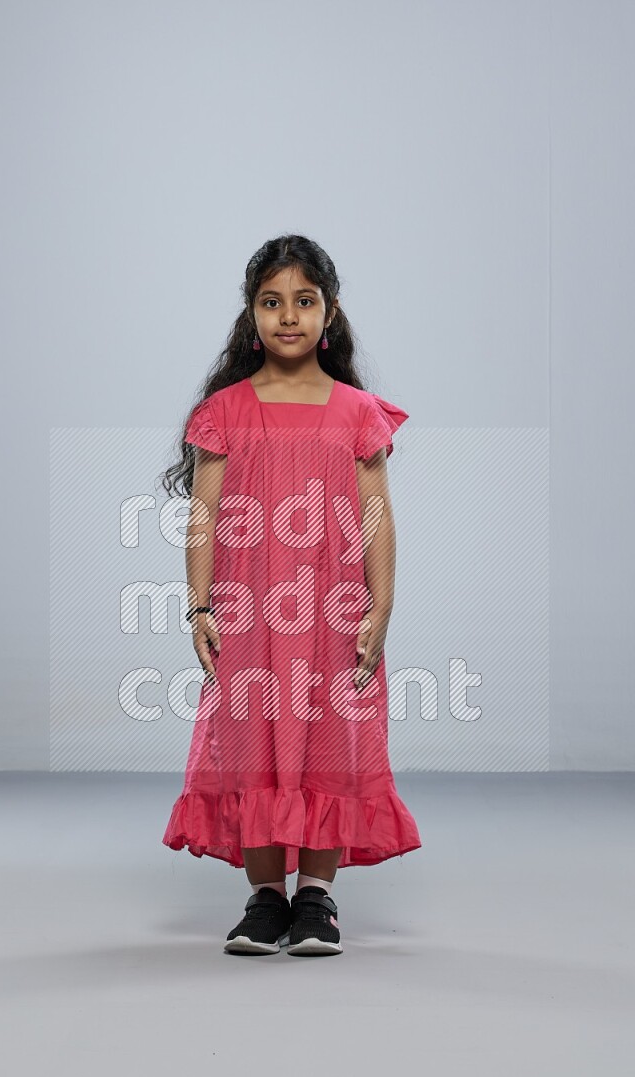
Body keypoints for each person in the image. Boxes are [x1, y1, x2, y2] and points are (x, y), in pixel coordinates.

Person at [159, 233, 422, 957]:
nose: (288, 317)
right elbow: (204, 515)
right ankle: (264, 899)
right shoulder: (227, 411)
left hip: (332, 614)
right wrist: (200, 606)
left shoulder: (357, 413)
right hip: (250, 614)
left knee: (330, 745)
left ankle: (317, 899)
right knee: (251, 747)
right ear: (251, 317)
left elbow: (377, 515)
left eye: (304, 301)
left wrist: (382, 607)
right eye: (271, 302)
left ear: (329, 314)